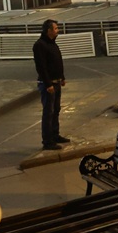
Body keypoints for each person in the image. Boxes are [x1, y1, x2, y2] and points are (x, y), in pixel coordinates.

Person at [33, 19, 69, 150]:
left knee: (56, 110)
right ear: (48, 30)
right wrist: (48, 84)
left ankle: (55, 134)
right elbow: (41, 67)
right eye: (55, 29)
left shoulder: (53, 44)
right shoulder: (40, 45)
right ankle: (47, 141)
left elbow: (57, 62)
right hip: (48, 85)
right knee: (48, 112)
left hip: (57, 82)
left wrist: (62, 77)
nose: (57, 30)